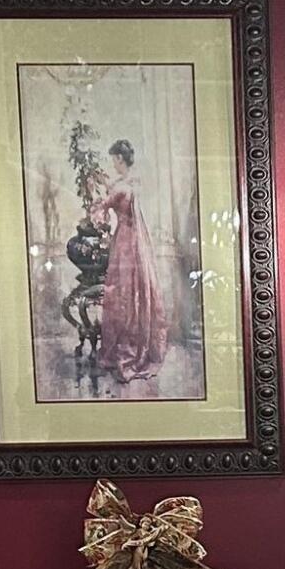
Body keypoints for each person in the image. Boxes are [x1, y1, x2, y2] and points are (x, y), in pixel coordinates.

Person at [94, 139, 167, 386]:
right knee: (132, 290)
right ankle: (134, 343)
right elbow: (115, 190)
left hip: (125, 242)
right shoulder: (131, 182)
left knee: (124, 292)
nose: (112, 164)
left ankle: (127, 351)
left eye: (114, 159)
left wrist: (96, 214)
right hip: (135, 240)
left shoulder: (122, 187)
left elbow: (102, 206)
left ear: (120, 159)